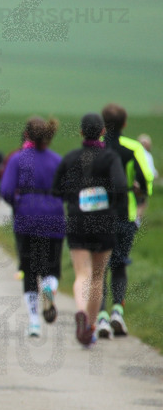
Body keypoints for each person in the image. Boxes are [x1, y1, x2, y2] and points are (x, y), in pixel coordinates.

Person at [52, 113, 127, 346]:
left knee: (82, 274)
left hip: (77, 221)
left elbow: (56, 189)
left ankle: (81, 311)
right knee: (97, 276)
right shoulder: (109, 157)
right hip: (104, 222)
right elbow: (120, 185)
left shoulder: (71, 157)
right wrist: (115, 206)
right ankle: (91, 327)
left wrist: (73, 198)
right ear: (102, 131)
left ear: (81, 132)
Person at [0, 117, 66, 338]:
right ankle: (50, 285)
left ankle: (35, 321)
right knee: (52, 264)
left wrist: (19, 204)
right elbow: (66, 190)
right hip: (54, 216)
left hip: (27, 216)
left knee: (29, 270)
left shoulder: (18, 159)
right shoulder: (57, 160)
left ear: (26, 134)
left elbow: (7, 190)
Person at [96, 103, 153, 338]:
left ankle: (100, 316)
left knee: (99, 269)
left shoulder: (96, 147)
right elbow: (146, 177)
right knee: (119, 264)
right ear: (125, 124)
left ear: (103, 123)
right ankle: (118, 310)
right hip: (125, 213)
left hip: (98, 214)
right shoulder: (133, 147)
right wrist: (140, 195)